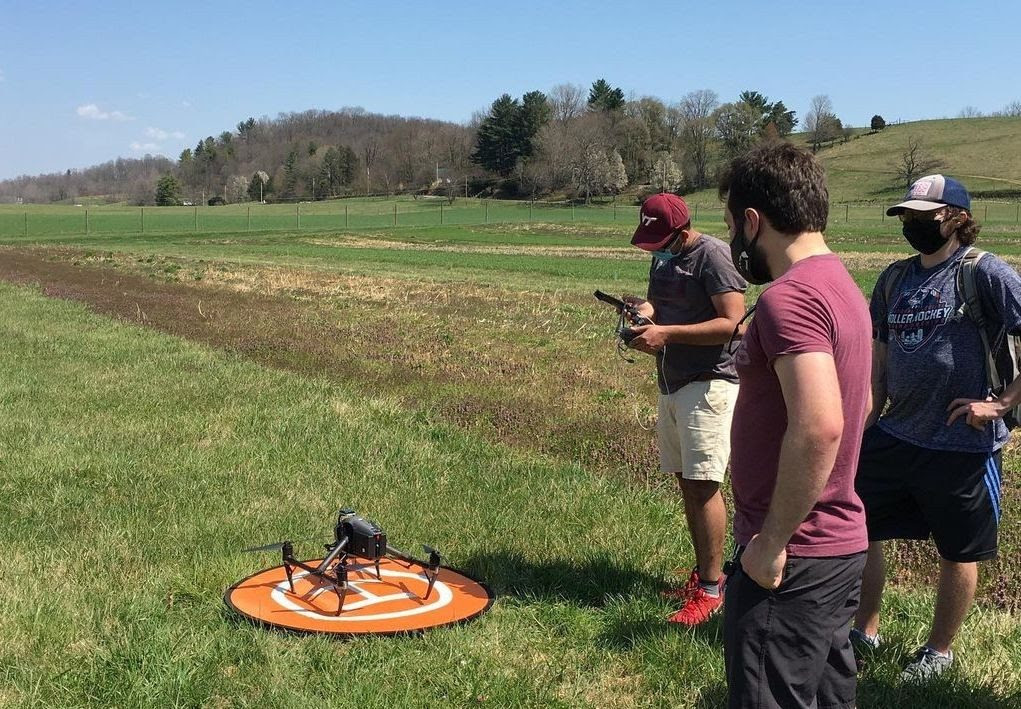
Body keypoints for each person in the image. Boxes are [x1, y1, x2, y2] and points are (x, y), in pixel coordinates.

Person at [720, 143, 872, 709]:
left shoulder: (791, 298)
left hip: (793, 557)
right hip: (836, 546)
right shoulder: (840, 284)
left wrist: (772, 542)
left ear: (752, 221)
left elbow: (820, 426)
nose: (732, 241)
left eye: (731, 227)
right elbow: (863, 402)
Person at [852, 174, 1021, 682]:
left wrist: (1002, 404)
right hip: (895, 435)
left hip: (962, 444)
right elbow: (879, 365)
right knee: (862, 530)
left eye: (924, 216)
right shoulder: (894, 279)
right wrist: (863, 426)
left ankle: (938, 652)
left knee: (958, 551)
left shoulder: (983, 272)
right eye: (907, 216)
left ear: (957, 218)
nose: (912, 224)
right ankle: (863, 631)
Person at [626, 192, 747, 625]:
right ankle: (705, 575)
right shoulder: (662, 258)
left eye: (660, 242)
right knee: (687, 483)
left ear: (681, 230)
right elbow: (658, 305)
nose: (654, 250)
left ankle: (712, 591)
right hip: (672, 381)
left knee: (703, 485)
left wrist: (667, 334)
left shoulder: (713, 255)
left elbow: (734, 323)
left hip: (709, 384)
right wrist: (644, 314)